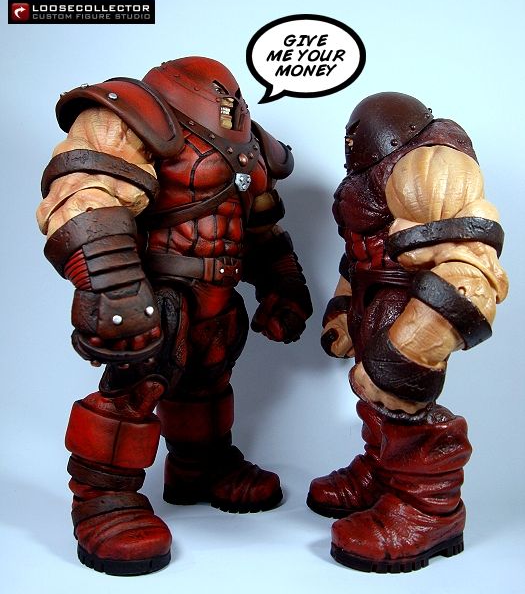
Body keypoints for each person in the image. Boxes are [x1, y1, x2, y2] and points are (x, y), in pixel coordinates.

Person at [37, 57, 312, 576]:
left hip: (220, 295)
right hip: (158, 291)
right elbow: (84, 196)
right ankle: (103, 499)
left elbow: (260, 224)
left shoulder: (251, 140)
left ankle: (200, 468)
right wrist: (116, 289)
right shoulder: (132, 113)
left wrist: (283, 282)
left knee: (208, 378)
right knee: (135, 387)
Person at [307, 92, 508, 573]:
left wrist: (410, 350)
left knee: (405, 399)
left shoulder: (428, 161)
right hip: (372, 299)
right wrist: (344, 310)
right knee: (376, 402)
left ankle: (428, 508)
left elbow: (469, 266)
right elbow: (358, 254)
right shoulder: (367, 177)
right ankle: (384, 474)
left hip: (409, 307)